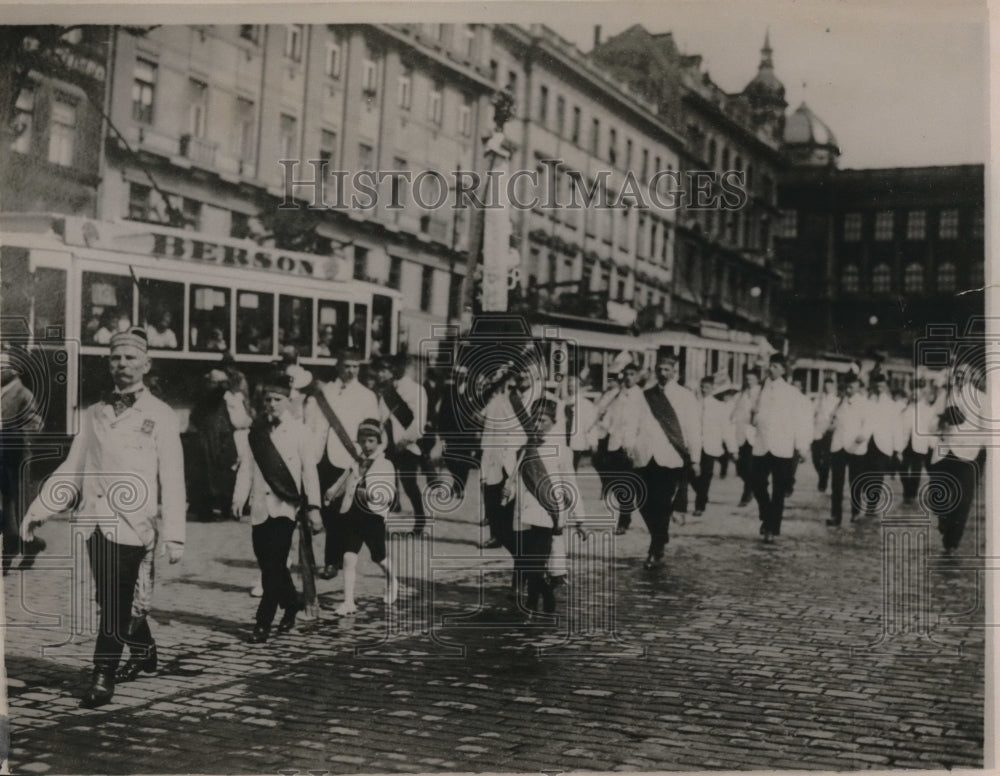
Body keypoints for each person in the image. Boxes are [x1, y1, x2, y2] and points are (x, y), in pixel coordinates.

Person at [21, 327, 185, 708]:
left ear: (147, 363)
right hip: (95, 521)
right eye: (115, 358)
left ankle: (102, 673)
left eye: (130, 358)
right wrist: (39, 508)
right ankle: (144, 651)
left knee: (113, 602)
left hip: (134, 524)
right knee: (113, 597)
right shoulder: (94, 412)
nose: (122, 365)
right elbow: (73, 467)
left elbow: (173, 478)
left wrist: (174, 533)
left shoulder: (160, 415)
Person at [232, 370, 323, 643]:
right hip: (260, 507)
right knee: (269, 564)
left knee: (274, 564)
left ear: (288, 401)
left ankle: (263, 622)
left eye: (278, 399)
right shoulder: (256, 432)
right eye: (268, 399)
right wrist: (239, 497)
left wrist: (314, 506)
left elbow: (310, 472)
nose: (272, 404)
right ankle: (292, 602)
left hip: (286, 507)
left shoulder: (300, 431)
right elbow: (246, 468)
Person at [617, 353, 701, 568]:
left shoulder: (685, 396)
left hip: (671, 456)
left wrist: (695, 458)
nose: (662, 373)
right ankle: (660, 536)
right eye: (659, 369)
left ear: (675, 372)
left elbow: (693, 429)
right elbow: (631, 422)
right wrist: (629, 444)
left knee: (662, 501)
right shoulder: (644, 396)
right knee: (643, 502)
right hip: (644, 454)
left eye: (667, 370)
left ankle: (656, 547)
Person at [303, 349, 379, 580]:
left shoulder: (367, 396)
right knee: (321, 509)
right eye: (347, 365)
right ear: (338, 366)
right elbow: (310, 423)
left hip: (346, 459)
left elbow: (371, 428)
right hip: (318, 456)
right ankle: (317, 559)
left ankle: (331, 561)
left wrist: (365, 459)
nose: (351, 370)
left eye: (355, 366)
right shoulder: (323, 392)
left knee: (338, 513)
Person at [324, 418, 399, 615]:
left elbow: (389, 493)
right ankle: (349, 602)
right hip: (352, 513)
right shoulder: (355, 462)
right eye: (363, 441)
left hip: (372, 516)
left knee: (379, 556)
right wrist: (332, 492)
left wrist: (370, 494)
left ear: (378, 442)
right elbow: (343, 480)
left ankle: (393, 580)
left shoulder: (385, 464)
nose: (366, 445)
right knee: (348, 557)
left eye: (371, 441)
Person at [507, 399, 574, 616]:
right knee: (528, 562)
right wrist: (510, 492)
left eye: (543, 420)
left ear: (553, 423)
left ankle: (535, 602)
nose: (537, 424)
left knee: (534, 562)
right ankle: (543, 598)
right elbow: (517, 479)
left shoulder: (562, 451)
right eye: (534, 419)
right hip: (524, 513)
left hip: (546, 513)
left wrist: (578, 518)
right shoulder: (524, 448)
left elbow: (569, 483)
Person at [749, 353, 811, 543]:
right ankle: (766, 514)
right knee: (757, 483)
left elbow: (801, 421)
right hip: (760, 445)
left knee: (778, 489)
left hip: (782, 446)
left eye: (776, 366)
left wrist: (802, 447)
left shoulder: (792, 393)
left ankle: (772, 528)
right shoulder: (759, 391)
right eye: (770, 365)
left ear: (784, 370)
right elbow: (750, 418)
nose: (771, 369)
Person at [1, 344, 45, 573]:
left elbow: (35, 423)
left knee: (14, 510)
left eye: (3, 366)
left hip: (13, 459)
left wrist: (15, 436)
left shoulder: (22, 394)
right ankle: (26, 547)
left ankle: (13, 554)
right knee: (6, 510)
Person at [376, 355, 429, 535]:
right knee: (386, 484)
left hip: (407, 446)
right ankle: (381, 522)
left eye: (390, 368)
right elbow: (381, 419)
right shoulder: (386, 392)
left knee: (409, 484)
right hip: (387, 445)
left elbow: (419, 422)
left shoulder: (417, 390)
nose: (387, 372)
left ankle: (420, 519)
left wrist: (404, 441)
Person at [928, 405, 984, 555]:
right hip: (943, 453)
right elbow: (931, 425)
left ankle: (951, 542)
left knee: (963, 501)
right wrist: (941, 423)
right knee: (936, 495)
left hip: (969, 454)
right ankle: (944, 519)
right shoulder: (945, 394)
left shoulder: (982, 398)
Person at [602, 364, 644, 536]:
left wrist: (636, 444)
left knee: (627, 484)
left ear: (638, 376)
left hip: (632, 446)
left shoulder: (642, 397)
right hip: (615, 443)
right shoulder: (617, 396)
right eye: (625, 374)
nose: (628, 377)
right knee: (615, 482)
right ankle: (627, 510)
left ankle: (624, 520)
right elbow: (610, 417)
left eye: (632, 374)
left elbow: (643, 422)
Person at [826, 373, 869, 526]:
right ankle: (835, 515)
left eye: (852, 385)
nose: (849, 389)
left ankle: (855, 512)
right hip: (839, 446)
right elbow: (832, 421)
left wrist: (863, 435)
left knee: (855, 481)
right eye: (847, 386)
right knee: (836, 483)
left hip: (855, 447)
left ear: (858, 386)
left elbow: (869, 423)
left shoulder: (864, 403)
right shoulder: (839, 402)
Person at [692, 377, 737, 516]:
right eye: (702, 386)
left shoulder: (718, 406)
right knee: (691, 474)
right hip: (695, 445)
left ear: (712, 389)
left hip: (710, 446)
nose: (703, 389)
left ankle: (700, 505)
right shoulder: (693, 404)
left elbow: (726, 429)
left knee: (705, 476)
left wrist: (733, 449)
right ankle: (702, 495)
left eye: (706, 387)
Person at [862, 372, 899, 517]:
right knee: (866, 474)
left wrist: (897, 448)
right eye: (877, 386)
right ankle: (869, 496)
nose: (879, 389)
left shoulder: (891, 405)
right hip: (867, 442)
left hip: (883, 444)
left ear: (886, 386)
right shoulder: (867, 402)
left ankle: (872, 505)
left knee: (877, 475)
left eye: (882, 386)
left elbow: (896, 427)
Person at [899, 380, 939, 505]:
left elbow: (931, 427)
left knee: (916, 470)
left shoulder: (928, 410)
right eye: (913, 392)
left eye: (918, 392)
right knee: (903, 469)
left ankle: (911, 494)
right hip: (905, 443)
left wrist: (932, 445)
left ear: (922, 393)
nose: (915, 394)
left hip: (920, 443)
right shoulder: (905, 407)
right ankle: (907, 489)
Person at [731, 368, 761, 507]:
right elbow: (733, 411)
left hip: (754, 434)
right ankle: (753, 486)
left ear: (757, 379)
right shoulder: (740, 394)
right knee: (741, 468)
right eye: (747, 379)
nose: (748, 382)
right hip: (740, 433)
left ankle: (747, 494)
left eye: (751, 379)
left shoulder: (761, 394)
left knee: (749, 465)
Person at [811, 377, 840, 493]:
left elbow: (837, 417)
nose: (827, 388)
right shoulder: (818, 400)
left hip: (829, 432)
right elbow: (811, 413)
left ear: (833, 387)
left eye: (830, 386)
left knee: (826, 458)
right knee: (816, 458)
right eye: (826, 386)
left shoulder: (837, 401)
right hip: (817, 431)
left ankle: (823, 482)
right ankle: (822, 476)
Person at [563, 375, 597, 472]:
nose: (570, 388)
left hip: (575, 442)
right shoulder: (562, 402)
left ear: (579, 386)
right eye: (569, 385)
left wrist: (593, 442)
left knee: (572, 468)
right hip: (562, 441)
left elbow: (590, 425)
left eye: (573, 385)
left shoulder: (586, 405)